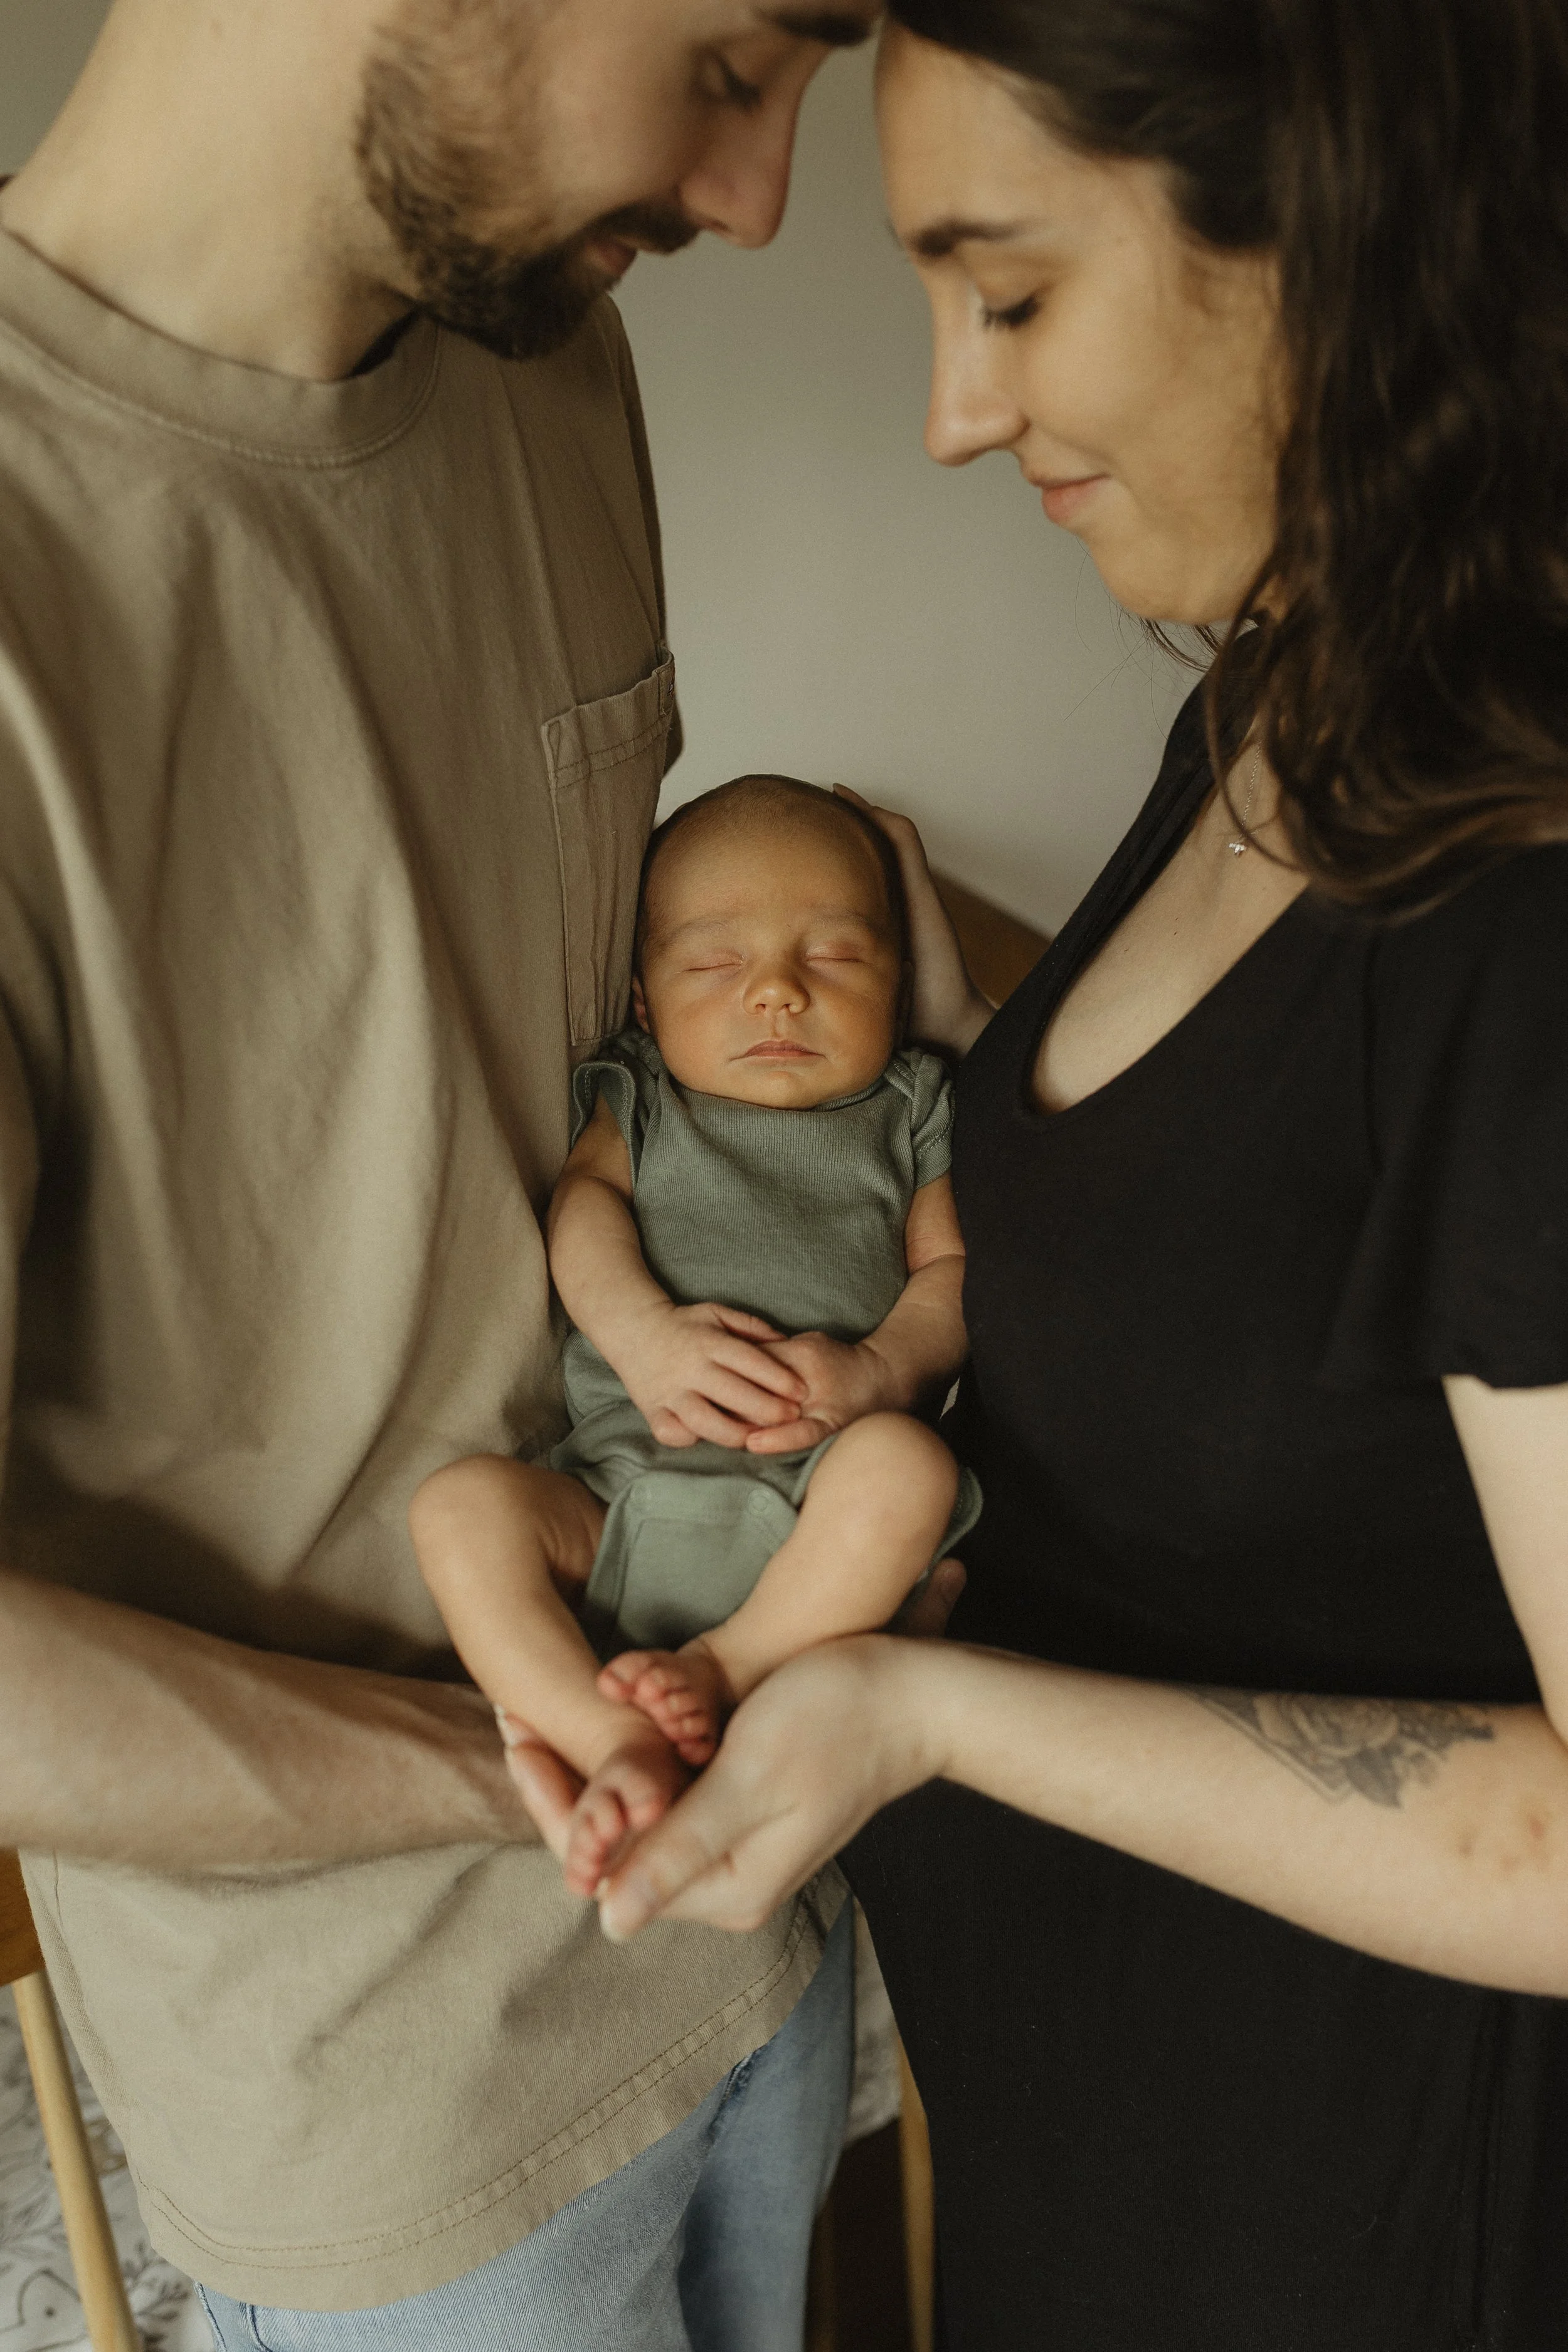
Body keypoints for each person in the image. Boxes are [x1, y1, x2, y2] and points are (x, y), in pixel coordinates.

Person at [514, 4, 1568, 2346]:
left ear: (1345, 243)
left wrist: (927, 1713)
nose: (955, 412)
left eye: (1007, 292)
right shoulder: (1280, 697)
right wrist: (859, 954)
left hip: (1349, 2211)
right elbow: (1252, 1172)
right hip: (1098, 2106)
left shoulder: (1526, 925)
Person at [0, 4, 880, 2348]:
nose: (763, 196)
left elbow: (592, 1073)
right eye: (734, 54)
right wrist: (525, 1774)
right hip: (404, 2119)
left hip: (765, 1916)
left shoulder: (545, 354)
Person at [412, 776, 978, 1896]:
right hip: (622, 1489)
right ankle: (598, 1729)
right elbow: (583, 1211)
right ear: (644, 1000)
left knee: (908, 1468)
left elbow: (952, 1276)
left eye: (836, 958)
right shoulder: (647, 1097)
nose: (776, 992)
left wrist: (878, 1369)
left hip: (817, 1497)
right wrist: (647, 1342)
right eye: (716, 965)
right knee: (460, 1508)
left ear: (900, 981)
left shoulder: (911, 1106)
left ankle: (727, 1665)